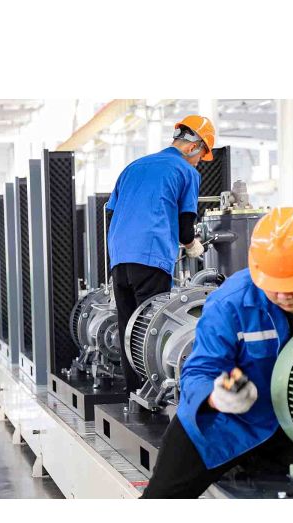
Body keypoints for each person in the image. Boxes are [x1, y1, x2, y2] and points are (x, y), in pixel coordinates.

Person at [142, 206, 293, 498]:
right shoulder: (231, 302)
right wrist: (216, 395)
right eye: (273, 285)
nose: (283, 295)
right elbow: (199, 371)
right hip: (232, 425)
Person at [106, 115, 216, 395]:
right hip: (151, 256)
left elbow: (110, 212)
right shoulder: (186, 171)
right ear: (193, 146)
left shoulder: (134, 166)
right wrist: (192, 246)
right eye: (201, 155)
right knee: (152, 329)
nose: (199, 162)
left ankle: (134, 395)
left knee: (129, 327)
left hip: (119, 257)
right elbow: (185, 227)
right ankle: (154, 394)